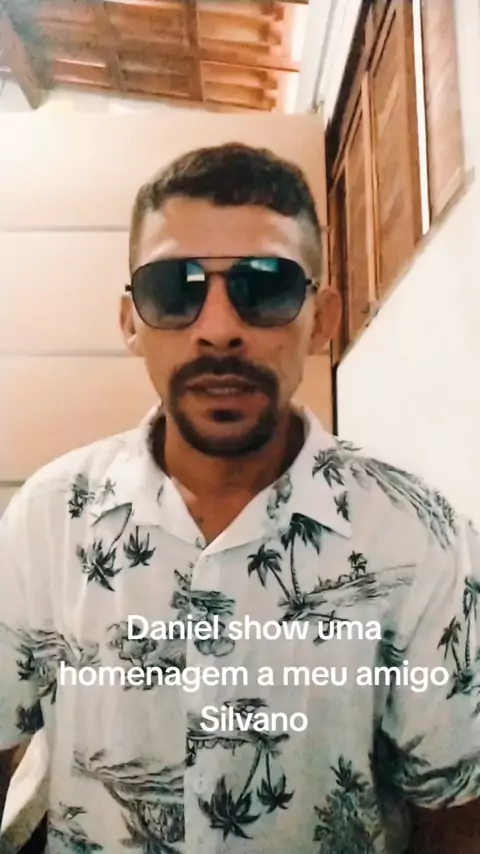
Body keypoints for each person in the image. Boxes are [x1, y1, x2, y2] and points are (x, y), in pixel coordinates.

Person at [0, 143, 478, 854]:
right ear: (131, 320)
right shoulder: (48, 519)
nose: (219, 327)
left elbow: (457, 814)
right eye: (175, 288)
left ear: (322, 318)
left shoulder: (420, 535)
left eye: (265, 287)